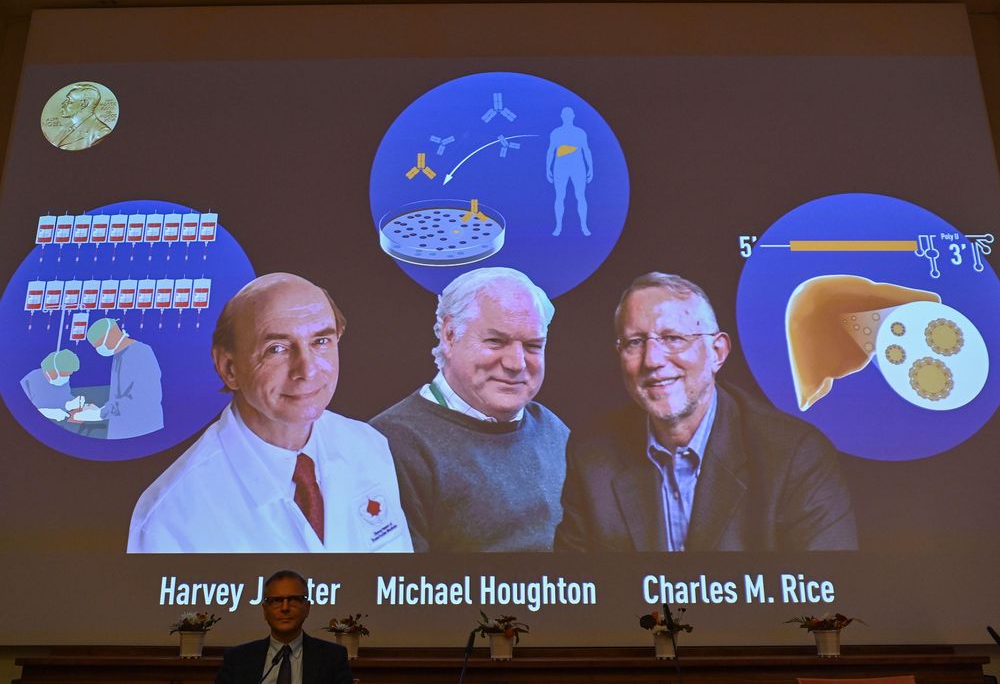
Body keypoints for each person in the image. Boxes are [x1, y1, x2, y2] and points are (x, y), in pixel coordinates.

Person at [555, 272, 858, 552]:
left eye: (673, 338)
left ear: (717, 352)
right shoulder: (592, 455)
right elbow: (579, 592)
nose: (653, 360)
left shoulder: (794, 455)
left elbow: (830, 592)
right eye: (635, 342)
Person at [128, 272, 412, 553]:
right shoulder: (170, 515)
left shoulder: (369, 446)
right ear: (229, 368)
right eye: (277, 349)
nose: (308, 370)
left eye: (321, 341)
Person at [370, 267, 569, 552]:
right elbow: (399, 589)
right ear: (449, 336)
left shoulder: (553, 431)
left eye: (533, 346)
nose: (517, 363)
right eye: (495, 341)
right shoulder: (389, 444)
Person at [216, 569, 353, 684]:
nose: (285, 608)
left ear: (307, 608)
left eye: (293, 600)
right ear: (265, 610)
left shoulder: (333, 658)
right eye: (276, 601)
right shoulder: (237, 659)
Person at [84, 317, 163, 439]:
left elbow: (137, 399)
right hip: (123, 429)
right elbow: (119, 396)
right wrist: (103, 408)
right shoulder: (119, 354)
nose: (99, 349)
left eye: (99, 345)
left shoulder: (139, 353)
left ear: (110, 335)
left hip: (142, 428)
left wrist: (99, 414)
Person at [545, 106, 594, 236]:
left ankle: (584, 226)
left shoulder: (580, 133)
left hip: (578, 167)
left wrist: (591, 167)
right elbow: (551, 151)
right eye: (565, 115)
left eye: (569, 115)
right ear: (562, 117)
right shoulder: (556, 133)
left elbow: (586, 150)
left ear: (573, 116)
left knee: (581, 196)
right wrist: (547, 168)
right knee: (560, 197)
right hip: (560, 167)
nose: (567, 117)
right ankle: (558, 227)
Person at [20, 349, 83, 422]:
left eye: (68, 375)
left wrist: (71, 403)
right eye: (64, 374)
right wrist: (43, 412)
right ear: (51, 370)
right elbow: (19, 408)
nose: (66, 378)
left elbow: (64, 397)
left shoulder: (63, 381)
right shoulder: (30, 380)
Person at [54, 83, 113, 151]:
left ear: (84, 104)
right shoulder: (67, 128)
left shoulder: (101, 132)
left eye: (69, 100)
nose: (63, 103)